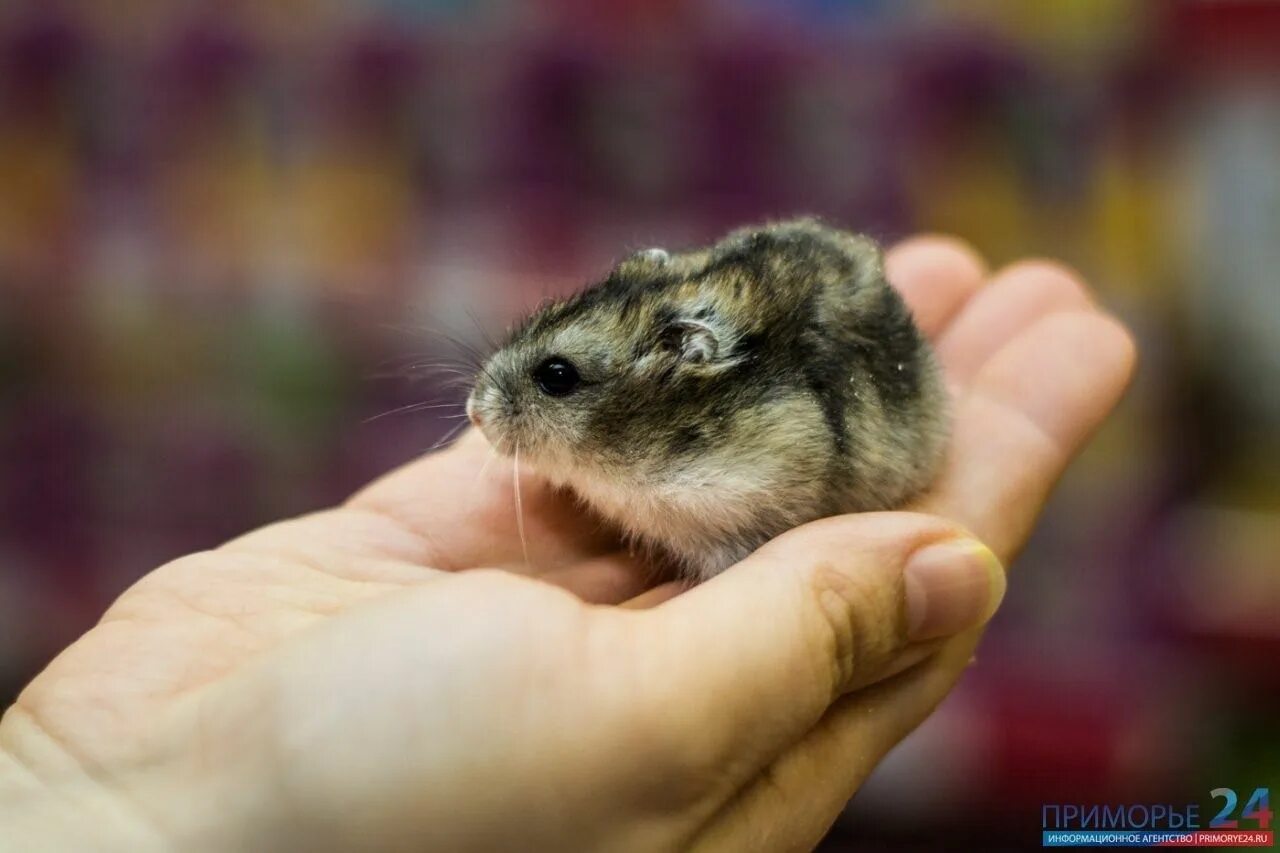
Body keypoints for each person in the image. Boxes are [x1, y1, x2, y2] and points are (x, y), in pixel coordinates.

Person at [0, 237, 1134, 852]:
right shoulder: (618, 462)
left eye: (552, 382)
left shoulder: (745, 447)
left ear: (682, 373)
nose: (489, 407)